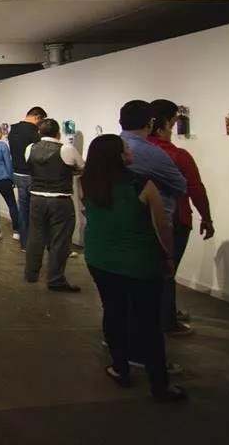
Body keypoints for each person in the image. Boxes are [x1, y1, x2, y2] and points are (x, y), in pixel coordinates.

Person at [81, 134, 186, 402]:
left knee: (114, 312)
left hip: (101, 259)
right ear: (117, 155)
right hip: (139, 262)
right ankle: (159, 384)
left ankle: (120, 368)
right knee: (148, 322)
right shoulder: (142, 183)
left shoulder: (86, 183)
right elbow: (162, 225)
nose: (130, 151)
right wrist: (168, 257)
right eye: (126, 148)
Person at [148, 99, 215, 336]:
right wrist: (207, 218)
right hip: (175, 220)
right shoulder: (178, 155)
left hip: (143, 219)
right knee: (167, 270)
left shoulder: (134, 152)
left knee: (149, 270)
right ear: (165, 124)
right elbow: (195, 188)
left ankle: (160, 313)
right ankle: (166, 320)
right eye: (174, 122)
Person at [24, 118, 85, 292]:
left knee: (35, 237)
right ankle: (55, 279)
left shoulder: (30, 148)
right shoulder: (66, 149)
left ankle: (31, 274)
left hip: (36, 198)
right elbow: (81, 167)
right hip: (60, 200)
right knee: (59, 240)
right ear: (58, 133)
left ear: (39, 133)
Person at [8, 107, 47, 250]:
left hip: (17, 173)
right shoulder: (33, 132)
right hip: (31, 174)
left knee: (23, 209)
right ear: (37, 117)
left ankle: (25, 243)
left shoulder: (13, 130)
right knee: (38, 210)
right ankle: (38, 242)